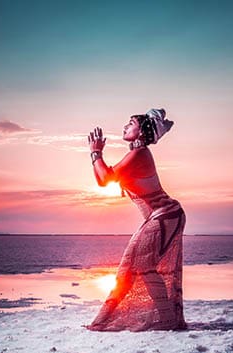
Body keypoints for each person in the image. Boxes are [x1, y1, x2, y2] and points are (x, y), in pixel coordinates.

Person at [85, 108, 188, 332]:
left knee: (140, 265)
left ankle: (167, 320)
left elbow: (105, 178)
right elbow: (103, 179)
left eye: (130, 123)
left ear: (142, 132)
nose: (125, 126)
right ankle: (165, 319)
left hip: (165, 214)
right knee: (135, 266)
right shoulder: (136, 154)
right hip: (161, 216)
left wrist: (96, 153)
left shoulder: (139, 154)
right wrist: (96, 156)